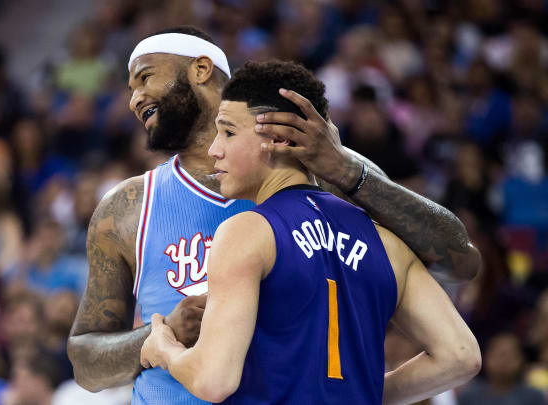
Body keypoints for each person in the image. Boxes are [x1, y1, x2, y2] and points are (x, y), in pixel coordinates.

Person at [68, 26, 481, 403]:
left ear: (200, 69)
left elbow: (458, 261)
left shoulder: (332, 173)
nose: (133, 98)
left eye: (144, 78)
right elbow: (85, 360)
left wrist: (346, 170)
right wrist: (156, 336)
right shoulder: (126, 207)